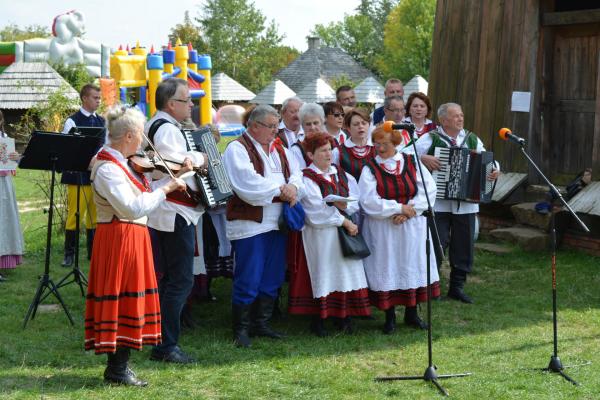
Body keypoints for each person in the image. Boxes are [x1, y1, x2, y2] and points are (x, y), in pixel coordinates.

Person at [84, 105, 187, 386]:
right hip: (120, 237)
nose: (143, 139)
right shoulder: (107, 168)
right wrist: (165, 189)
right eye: (141, 133)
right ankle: (117, 370)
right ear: (130, 135)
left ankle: (119, 368)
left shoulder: (120, 163)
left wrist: (167, 182)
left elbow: (140, 199)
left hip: (129, 236)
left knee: (129, 299)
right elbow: (132, 207)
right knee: (123, 299)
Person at [223, 105, 304, 348]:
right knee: (249, 275)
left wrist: (294, 187)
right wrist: (281, 189)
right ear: (254, 126)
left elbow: (297, 175)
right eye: (271, 126)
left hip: (277, 222)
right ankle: (241, 329)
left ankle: (261, 323)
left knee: (272, 275)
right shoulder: (237, 148)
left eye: (276, 125)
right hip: (250, 224)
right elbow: (247, 184)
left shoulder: (280, 148)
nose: (276, 131)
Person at [145, 78, 207, 363]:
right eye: (187, 100)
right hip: (174, 211)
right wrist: (199, 156)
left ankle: (161, 339)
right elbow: (177, 165)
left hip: (167, 211)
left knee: (172, 278)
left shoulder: (158, 125)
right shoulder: (167, 129)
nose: (191, 105)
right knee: (180, 280)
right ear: (172, 104)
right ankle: (166, 346)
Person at [414, 103, 500, 303]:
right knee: (437, 243)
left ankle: (457, 287)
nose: (460, 119)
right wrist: (422, 157)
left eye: (461, 115)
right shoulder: (430, 138)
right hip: (438, 204)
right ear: (443, 120)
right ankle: (430, 288)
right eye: (455, 116)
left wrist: (495, 169)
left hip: (467, 204)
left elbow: (488, 159)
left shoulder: (471, 138)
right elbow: (406, 155)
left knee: (464, 245)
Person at [359, 127, 439, 333]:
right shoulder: (370, 168)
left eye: (384, 143)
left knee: (410, 264)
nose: (380, 147)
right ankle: (390, 316)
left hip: (411, 227)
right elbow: (368, 201)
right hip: (384, 229)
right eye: (376, 143)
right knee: (390, 265)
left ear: (395, 143)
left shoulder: (412, 162)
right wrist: (397, 208)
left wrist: (409, 211)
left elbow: (428, 190)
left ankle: (412, 313)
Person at [289, 132, 370, 336]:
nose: (328, 154)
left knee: (345, 273)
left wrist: (346, 207)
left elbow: (355, 199)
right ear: (310, 154)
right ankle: (320, 319)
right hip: (321, 235)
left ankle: (343, 316)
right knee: (324, 273)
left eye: (329, 150)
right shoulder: (306, 177)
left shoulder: (341, 173)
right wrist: (343, 220)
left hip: (342, 233)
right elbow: (314, 210)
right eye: (322, 151)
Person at [61, 84, 105, 267]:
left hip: (97, 175)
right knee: (75, 215)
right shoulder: (72, 121)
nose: (98, 101)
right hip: (77, 175)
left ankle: (93, 252)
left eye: (99, 98)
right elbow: (68, 149)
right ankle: (69, 254)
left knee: (95, 216)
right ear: (85, 98)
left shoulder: (103, 122)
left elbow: (106, 145)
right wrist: (86, 161)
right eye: (95, 97)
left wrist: (97, 159)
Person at [0, 110, 24, 280]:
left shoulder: (4, 136)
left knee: (5, 220)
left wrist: (15, 157)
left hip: (4, 183)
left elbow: (9, 160)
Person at [333, 108, 376, 181]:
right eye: (356, 124)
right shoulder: (338, 152)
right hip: (350, 192)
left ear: (369, 125)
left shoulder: (378, 148)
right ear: (348, 128)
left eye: (364, 123)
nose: (361, 126)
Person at [290, 103, 325, 169]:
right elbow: (300, 174)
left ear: (322, 122)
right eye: (308, 124)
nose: (312, 127)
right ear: (302, 126)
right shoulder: (296, 149)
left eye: (315, 123)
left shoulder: (331, 142)